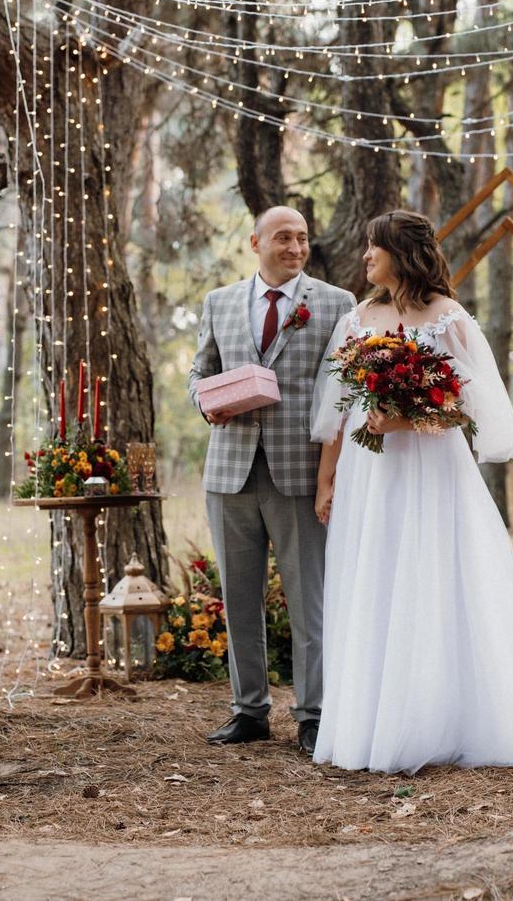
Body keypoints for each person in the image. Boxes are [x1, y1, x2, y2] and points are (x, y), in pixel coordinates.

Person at [310, 209, 513, 773]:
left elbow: (467, 409)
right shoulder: (358, 318)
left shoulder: (447, 317)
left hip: (431, 471)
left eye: (372, 247)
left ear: (399, 254)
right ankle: (375, 717)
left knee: (436, 576)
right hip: (368, 472)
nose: (365, 257)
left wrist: (406, 421)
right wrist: (326, 477)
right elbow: (337, 408)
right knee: (375, 575)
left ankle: (446, 715)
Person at [188, 206, 356, 755]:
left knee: (309, 599)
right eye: (283, 237)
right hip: (229, 472)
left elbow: (344, 389)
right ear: (255, 241)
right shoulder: (219, 302)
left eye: (302, 238)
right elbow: (200, 371)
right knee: (239, 599)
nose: (295, 246)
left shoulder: (336, 304)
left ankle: (313, 714)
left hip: (300, 473)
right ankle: (249, 711)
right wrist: (205, 403)